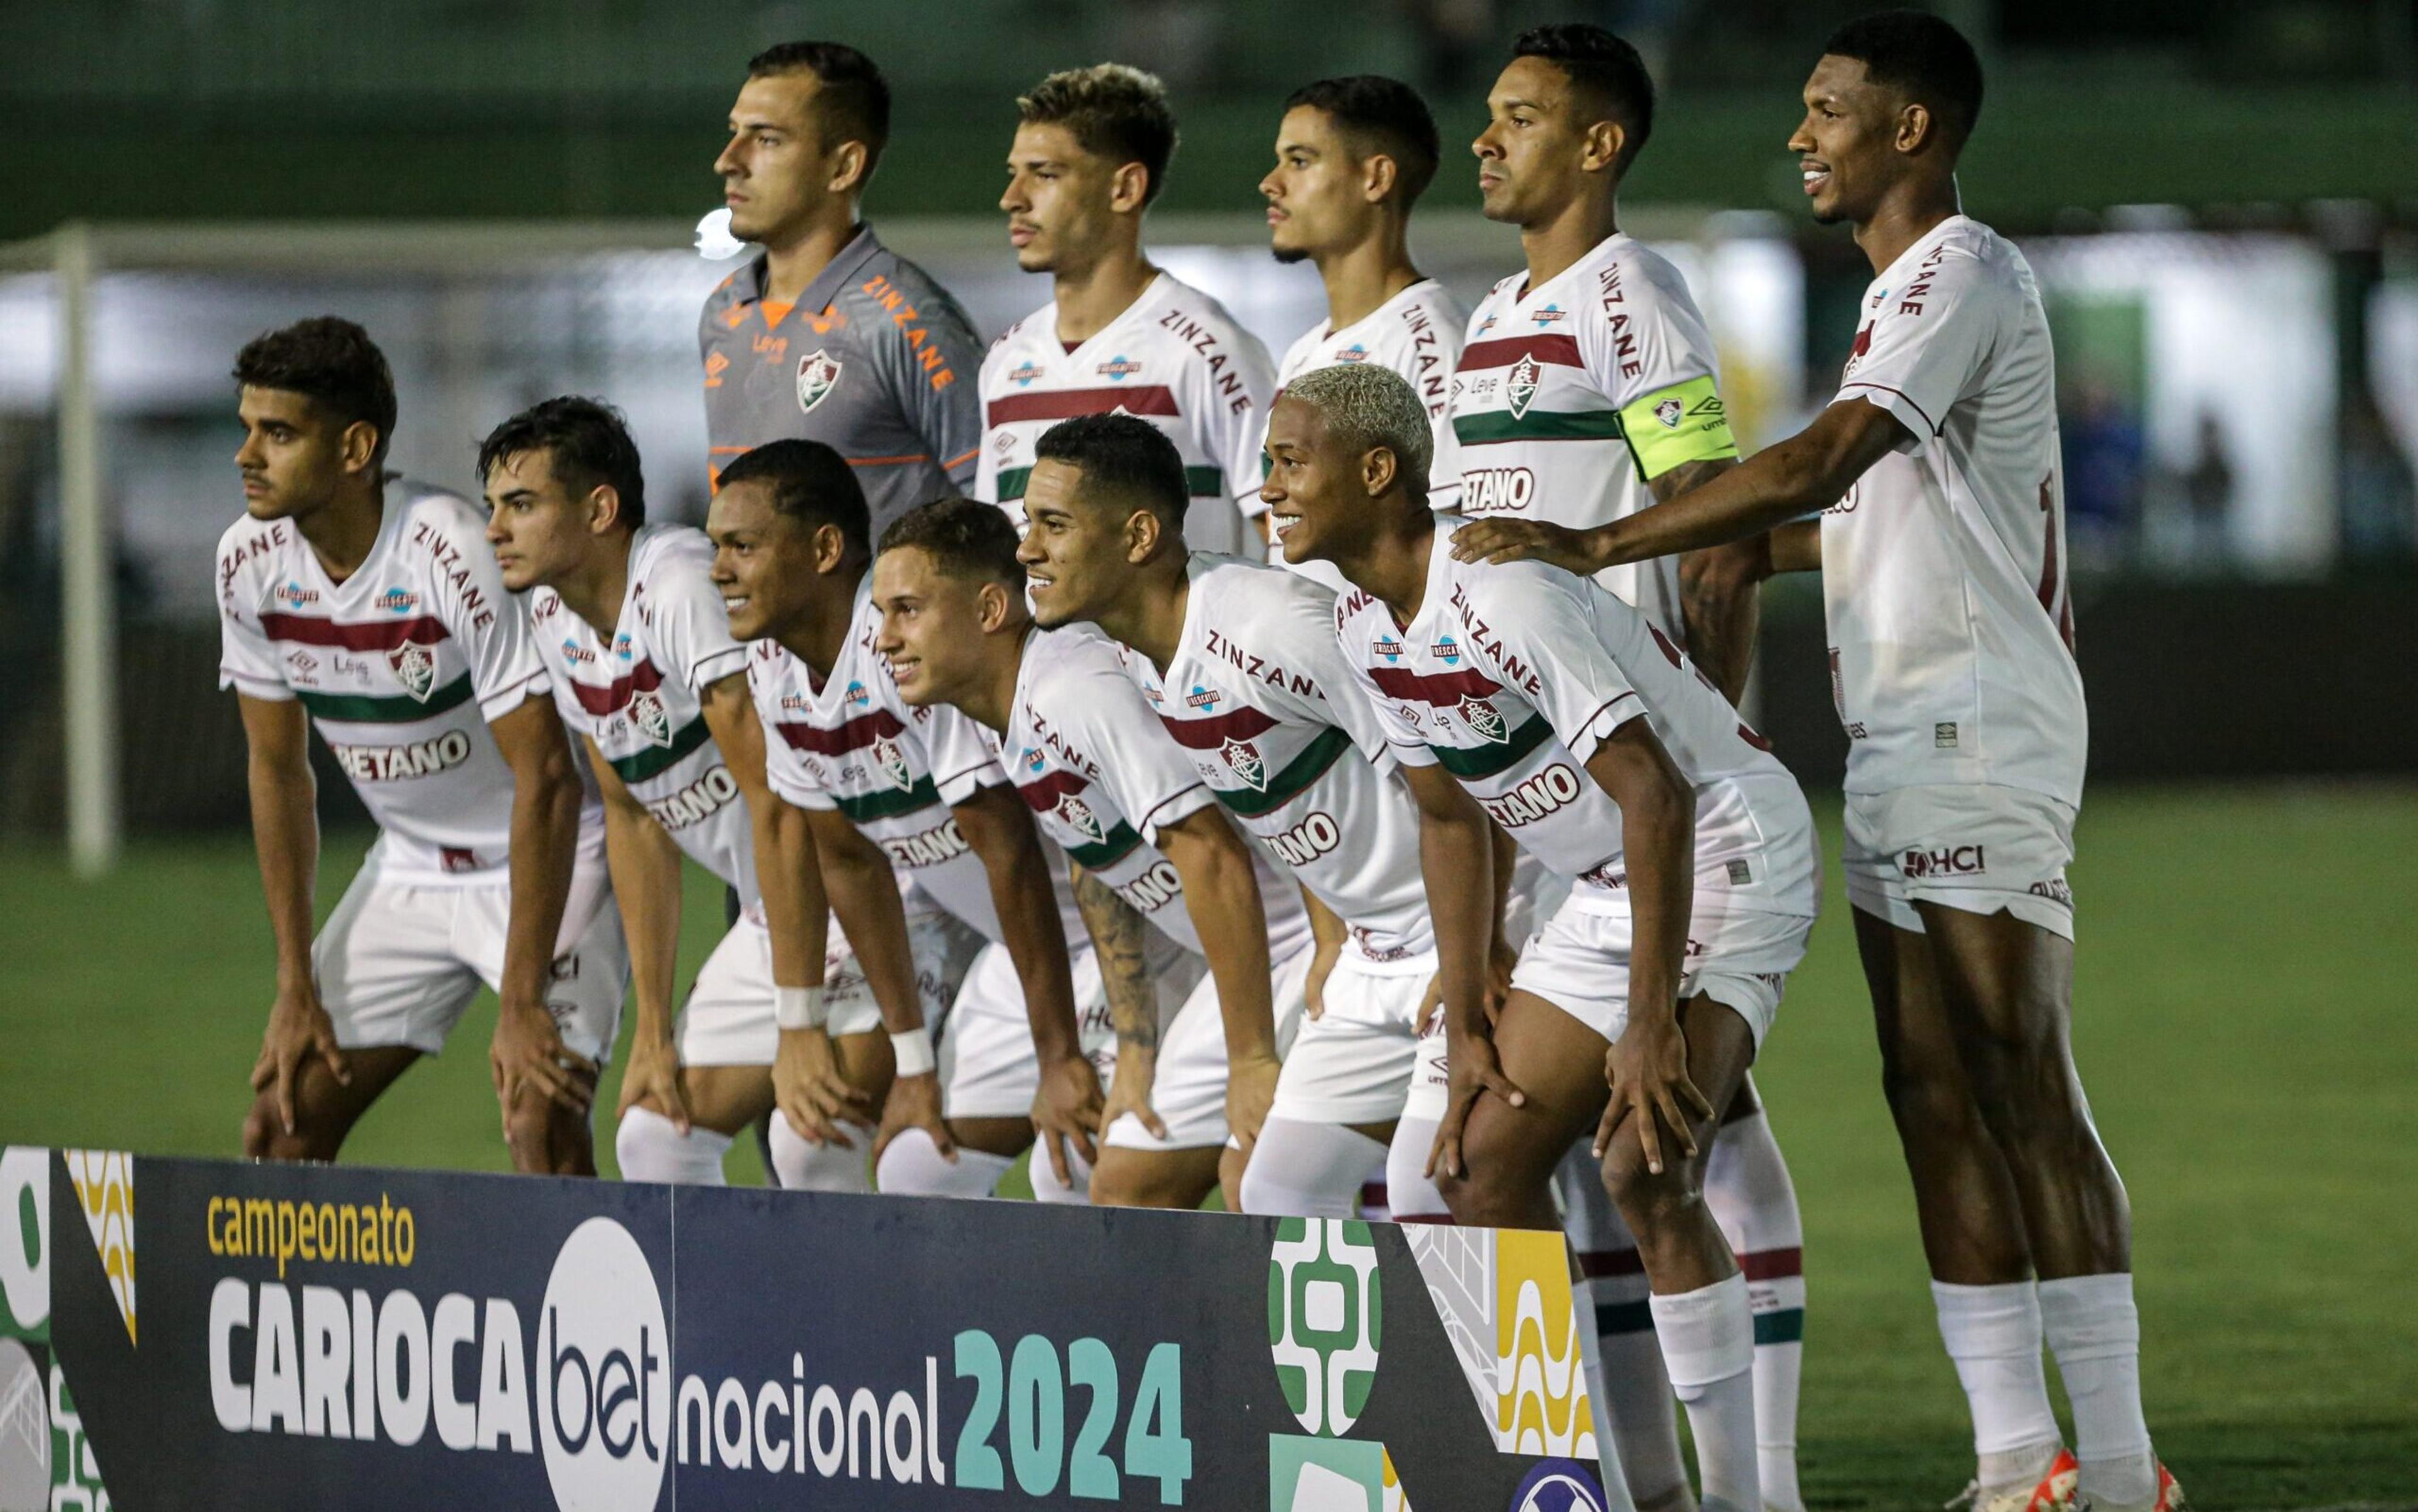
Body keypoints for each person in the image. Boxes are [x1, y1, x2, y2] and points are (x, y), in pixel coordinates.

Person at [1452, 13, 2183, 1512]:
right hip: (1900, 727)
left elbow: (1830, 456)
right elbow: (1861, 510)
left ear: (1909, 129)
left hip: (1981, 722)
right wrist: (1754, 558)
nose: (1801, 136)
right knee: (1923, 1084)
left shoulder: (1959, 272)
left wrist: (1598, 545)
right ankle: (2007, 1460)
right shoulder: (1891, 297)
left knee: (2016, 1077)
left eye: (1825, 111)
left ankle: (2116, 1468)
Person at [1275, 361, 1821, 1512]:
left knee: (1644, 1161)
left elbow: (1659, 794)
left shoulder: (1500, 594)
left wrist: (1645, 1027)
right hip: (1612, 880)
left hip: (1728, 848)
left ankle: (1742, 1502)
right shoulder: (1367, 621)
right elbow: (1447, 816)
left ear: (1377, 473)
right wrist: (1469, 1007)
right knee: (1479, 1168)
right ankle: (1588, 1491)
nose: (1265, 485)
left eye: (1289, 461)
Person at [1464, 26, 1815, 1505]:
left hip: (1647, 789)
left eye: (1521, 118)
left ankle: (1705, 1487)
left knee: (1638, 1153)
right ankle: (1674, 1484)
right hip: (1564, 810)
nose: (1487, 141)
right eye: (1485, 118)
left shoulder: (1631, 302)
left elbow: (1709, 521)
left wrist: (1703, 725)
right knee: (1679, 1143)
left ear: (1598, 146)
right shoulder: (1488, 319)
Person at [481, 397, 955, 1190]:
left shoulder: (678, 585)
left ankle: (846, 1316)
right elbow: (634, 817)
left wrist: (793, 1019)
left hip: (874, 887)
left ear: (600, 509)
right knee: (653, 1133)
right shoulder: (552, 620)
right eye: (493, 506)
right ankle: (728, 1317)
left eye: (520, 505)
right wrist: (652, 1029)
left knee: (814, 1133)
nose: (494, 528)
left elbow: (782, 804)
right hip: (778, 912)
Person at [217, 317, 627, 1175]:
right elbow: (277, 771)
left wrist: (521, 1000)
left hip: (545, 861)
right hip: (407, 868)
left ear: (356, 447)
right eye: (247, 428)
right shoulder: (247, 562)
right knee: (281, 1128)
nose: (247, 454)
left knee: (539, 1125)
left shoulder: (450, 551)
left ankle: (602, 1310)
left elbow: (549, 780)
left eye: (279, 433)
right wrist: (296, 986)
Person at [871, 499, 1316, 1208]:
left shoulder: (1072, 687)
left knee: (1255, 1181)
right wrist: (1136, 1043)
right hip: (1242, 948)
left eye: (906, 610)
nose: (884, 640)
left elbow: (1212, 856)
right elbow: (1097, 862)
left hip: (1299, 942)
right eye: (882, 614)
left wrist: (1249, 1057)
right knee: (1119, 1178)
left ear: (990, 609)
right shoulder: (1007, 709)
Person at [705, 438, 1107, 1197]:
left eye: (742, 546)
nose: (720, 570)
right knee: (912, 1163)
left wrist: (1057, 1055)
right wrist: (914, 1063)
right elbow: (850, 863)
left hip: (1099, 939)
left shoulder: (911, 646)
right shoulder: (770, 667)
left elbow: (1011, 856)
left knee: (1076, 1164)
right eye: (716, 548)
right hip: (1014, 947)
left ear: (824, 549)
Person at [978, 63, 1278, 557]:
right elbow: (1000, 558)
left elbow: (1288, 538)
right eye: (1015, 175)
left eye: (1045, 175)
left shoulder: (1208, 348)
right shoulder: (1006, 362)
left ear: (1125, 188)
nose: (1012, 199)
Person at [701, 40, 985, 536]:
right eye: (734, 134)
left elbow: (1002, 513)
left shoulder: (908, 318)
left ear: (843, 167)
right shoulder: (724, 312)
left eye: (766, 139)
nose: (729, 160)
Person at [1261, 72, 1467, 546]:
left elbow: (1453, 537)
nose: (1271, 183)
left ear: (1375, 178)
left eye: (1300, 161)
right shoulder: (1301, 355)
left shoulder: (1433, 338)